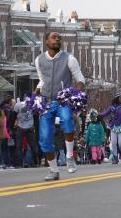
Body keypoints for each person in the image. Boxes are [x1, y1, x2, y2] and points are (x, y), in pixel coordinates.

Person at [35, 31, 86, 181]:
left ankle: (70, 157)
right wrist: (35, 95)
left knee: (67, 122)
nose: (57, 40)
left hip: (63, 100)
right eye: (54, 37)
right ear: (46, 42)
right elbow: (41, 80)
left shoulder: (69, 59)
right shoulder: (39, 60)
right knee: (44, 139)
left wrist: (77, 92)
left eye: (59, 38)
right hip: (46, 102)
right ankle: (53, 170)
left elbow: (79, 78)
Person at [99, 93, 121, 164]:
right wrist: (99, 115)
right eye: (120, 98)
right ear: (117, 98)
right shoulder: (112, 107)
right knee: (113, 142)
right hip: (113, 126)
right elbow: (105, 113)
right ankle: (115, 158)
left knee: (120, 144)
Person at [14, 98, 39, 168]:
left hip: (25, 127)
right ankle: (32, 162)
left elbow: (13, 115)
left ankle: (30, 162)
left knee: (22, 146)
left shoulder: (19, 105)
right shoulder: (20, 105)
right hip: (25, 127)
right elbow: (13, 116)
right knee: (30, 146)